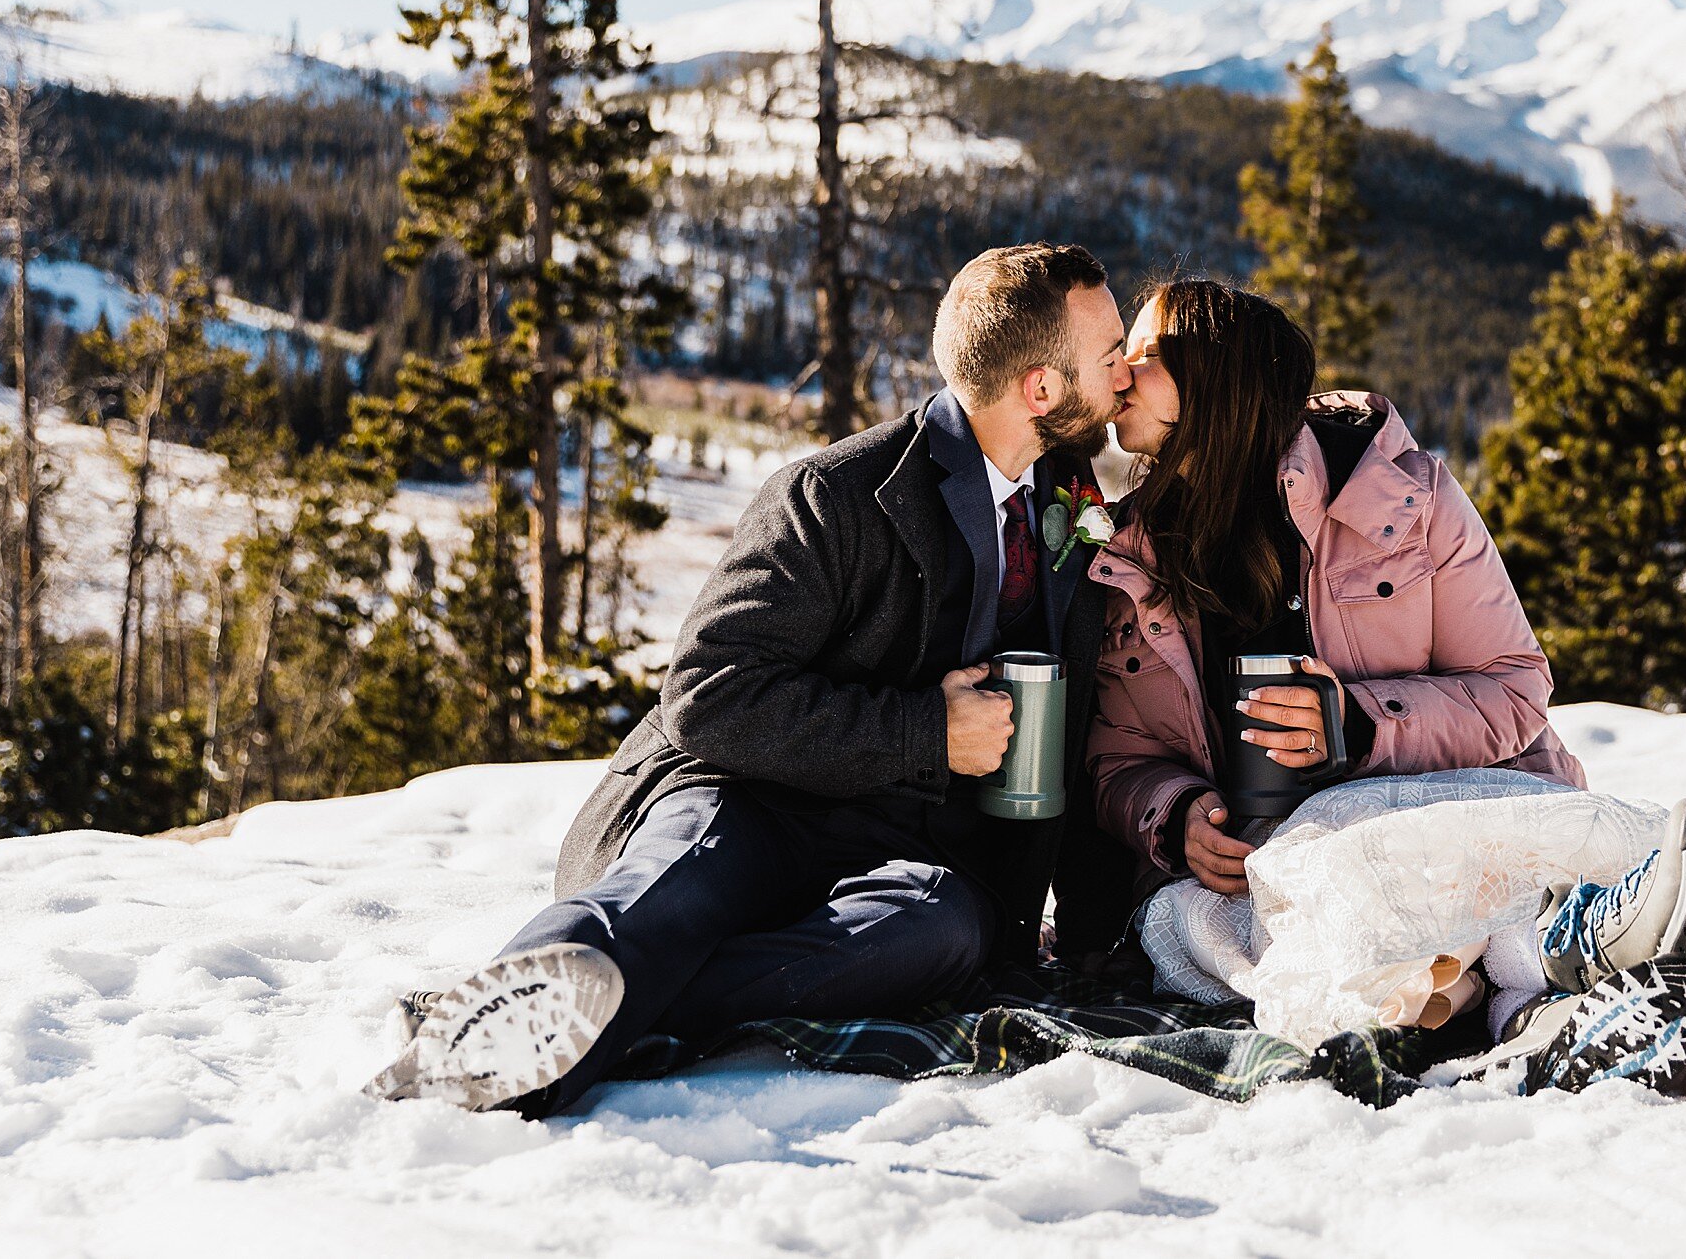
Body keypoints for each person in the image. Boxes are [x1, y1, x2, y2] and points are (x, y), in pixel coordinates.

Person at [366, 243, 1137, 1116]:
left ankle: (582, 1009)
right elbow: (707, 692)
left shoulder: (1067, 500)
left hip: (901, 854)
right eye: (1110, 352)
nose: (1128, 369)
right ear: (1041, 389)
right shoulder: (835, 494)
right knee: (675, 887)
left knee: (942, 927)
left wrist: (1089, 929)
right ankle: (477, 1039)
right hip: (744, 791)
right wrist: (928, 731)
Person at [1086, 279, 1686, 1092]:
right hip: (1277, 865)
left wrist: (1359, 728)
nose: (1119, 375)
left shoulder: (1401, 499)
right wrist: (1176, 812)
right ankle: (1552, 1025)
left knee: (1375, 860)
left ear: (1216, 381)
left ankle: (1581, 939)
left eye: (1147, 356)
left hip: (1456, 811)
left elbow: (1512, 689)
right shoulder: (1131, 556)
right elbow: (1118, 755)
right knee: (1213, 914)